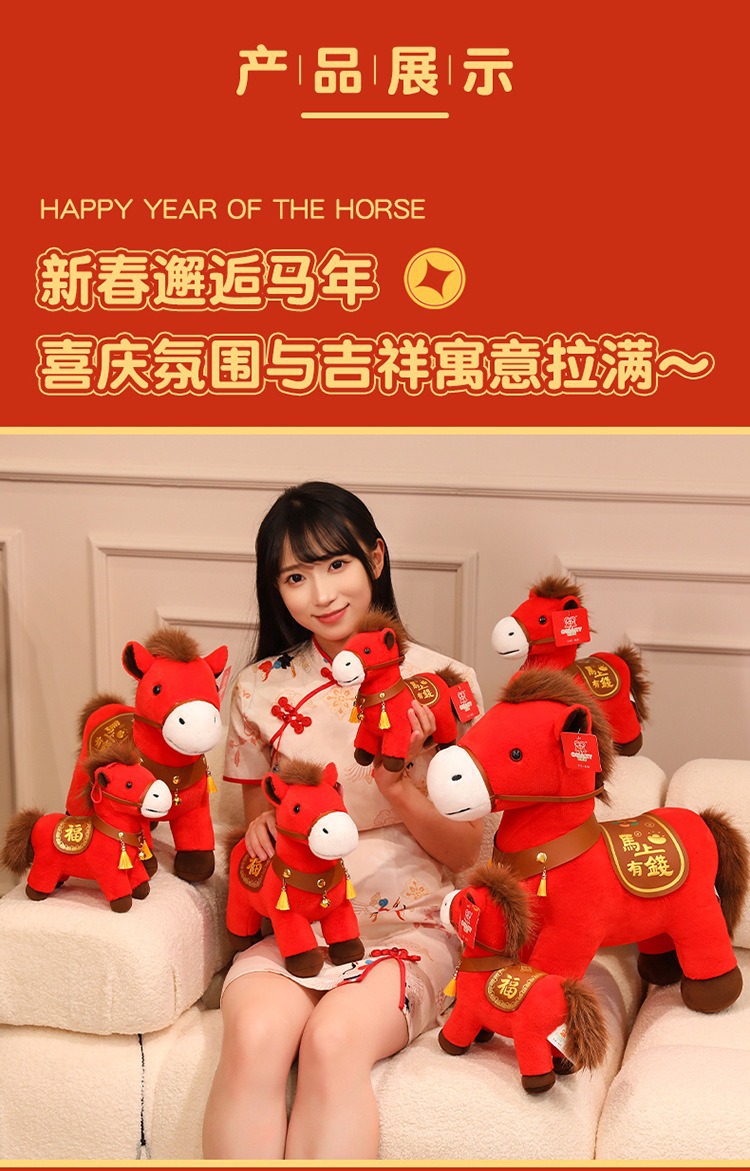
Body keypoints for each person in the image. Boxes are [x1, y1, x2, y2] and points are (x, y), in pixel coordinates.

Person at [202, 481, 484, 1160]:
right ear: (277, 588)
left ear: (375, 558)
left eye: (337, 564)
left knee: (332, 1040)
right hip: (299, 925)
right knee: (257, 1036)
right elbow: (259, 824)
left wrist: (399, 786)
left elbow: (467, 852)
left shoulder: (446, 682)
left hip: (411, 924)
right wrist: (260, 836)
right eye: (296, 577)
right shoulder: (259, 687)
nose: (322, 594)